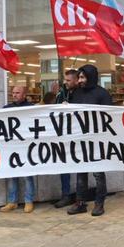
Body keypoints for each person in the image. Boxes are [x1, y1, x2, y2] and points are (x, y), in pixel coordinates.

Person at [67, 64, 112, 217]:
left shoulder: (102, 94)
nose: (80, 80)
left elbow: (109, 116)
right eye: (79, 77)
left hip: (97, 140)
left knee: (98, 173)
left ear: (90, 77)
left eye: (82, 77)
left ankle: (99, 203)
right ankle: (81, 202)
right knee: (80, 172)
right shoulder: (77, 93)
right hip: (81, 139)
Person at [0, 86, 36, 213]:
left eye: (17, 93)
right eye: (13, 93)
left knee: (27, 175)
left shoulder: (31, 108)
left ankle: (29, 201)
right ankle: (12, 202)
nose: (14, 95)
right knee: (11, 174)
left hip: (26, 146)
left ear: (24, 94)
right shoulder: (6, 109)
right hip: (12, 146)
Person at [54, 69, 79, 208]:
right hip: (65, 134)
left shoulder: (81, 94)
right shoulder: (62, 93)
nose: (66, 82)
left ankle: (79, 196)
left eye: (69, 80)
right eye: (65, 80)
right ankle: (66, 194)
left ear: (76, 80)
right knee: (64, 165)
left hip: (78, 135)